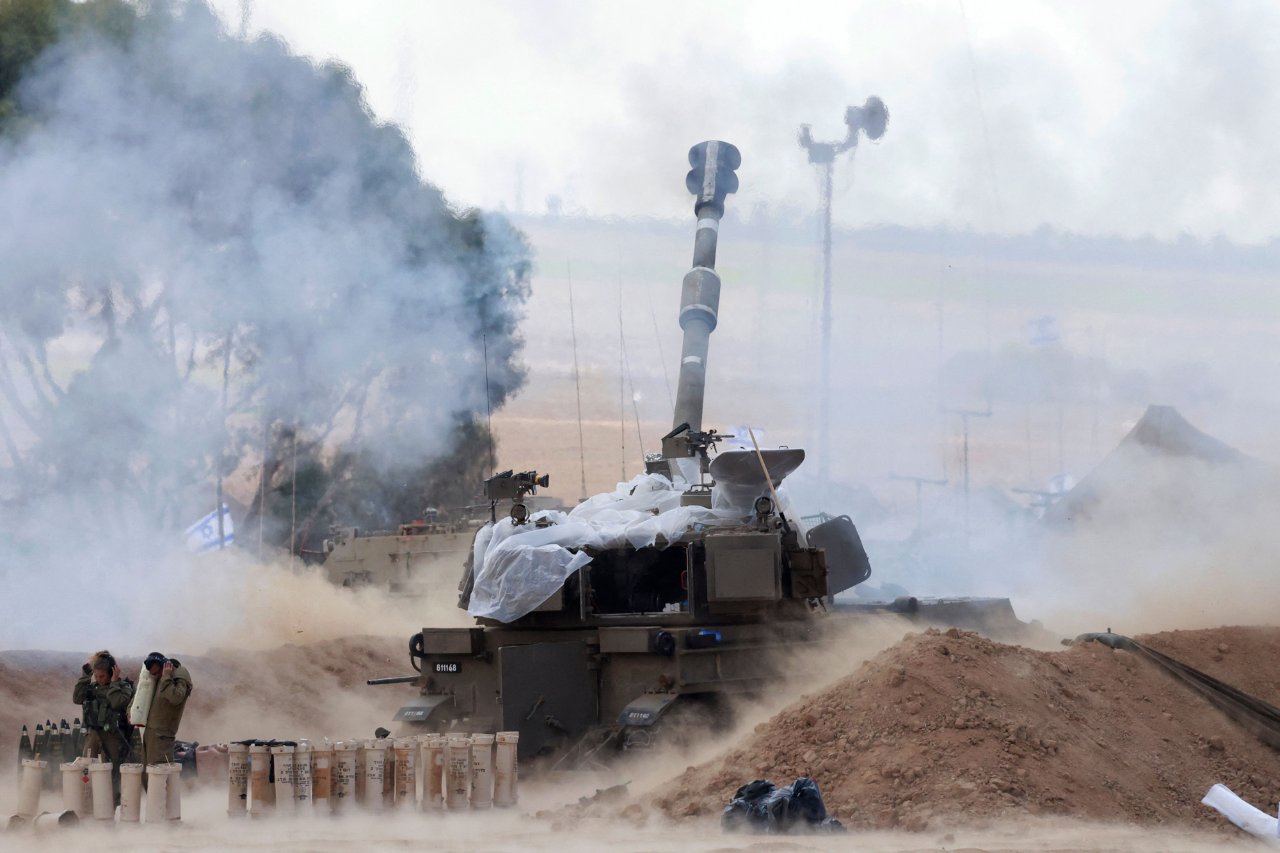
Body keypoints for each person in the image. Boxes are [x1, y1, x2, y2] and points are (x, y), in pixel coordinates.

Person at [72, 650, 134, 805]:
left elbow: (117, 702)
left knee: (112, 771)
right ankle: (88, 804)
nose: (99, 679)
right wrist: (85, 677)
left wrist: (114, 682)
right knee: (87, 768)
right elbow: (77, 698)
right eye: (96, 676)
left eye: (102, 676)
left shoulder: (123, 687)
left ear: (111, 672)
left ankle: (113, 805)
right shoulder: (92, 687)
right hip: (93, 734)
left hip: (113, 735)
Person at [135, 651, 193, 770]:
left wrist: (166, 677)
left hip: (163, 735)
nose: (156, 676)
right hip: (151, 732)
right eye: (153, 674)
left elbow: (176, 697)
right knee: (148, 771)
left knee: (159, 772)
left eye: (158, 672)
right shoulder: (159, 677)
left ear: (166, 666)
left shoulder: (178, 675)